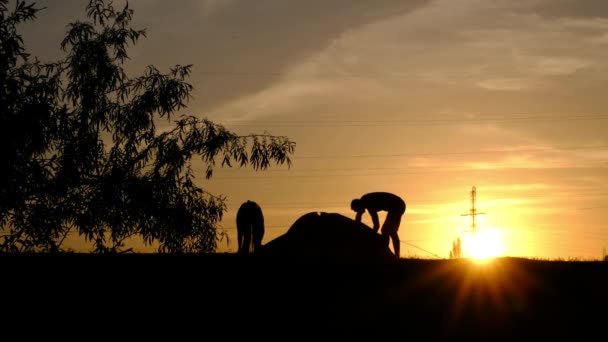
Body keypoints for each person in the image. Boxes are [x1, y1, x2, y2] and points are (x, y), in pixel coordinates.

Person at [351, 192, 406, 258]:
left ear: (359, 205)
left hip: (398, 205)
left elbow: (376, 225)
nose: (358, 212)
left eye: (357, 210)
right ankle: (391, 254)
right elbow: (374, 224)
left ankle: (393, 255)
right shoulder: (365, 201)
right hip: (397, 205)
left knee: (387, 230)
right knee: (388, 231)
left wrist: (372, 236)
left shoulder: (369, 203)